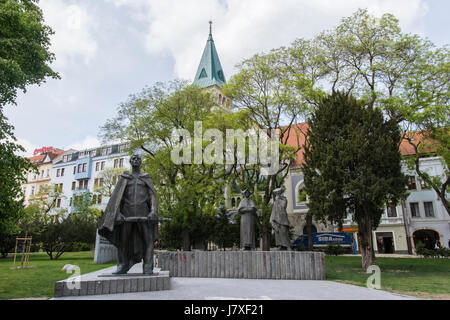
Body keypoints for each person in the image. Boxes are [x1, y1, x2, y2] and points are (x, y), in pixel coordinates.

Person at [98, 154, 158, 274]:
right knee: (123, 241)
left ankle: (148, 266)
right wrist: (118, 213)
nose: (136, 160)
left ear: (141, 162)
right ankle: (123, 265)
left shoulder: (146, 177)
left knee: (148, 240)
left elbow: (152, 196)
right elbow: (117, 198)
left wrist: (153, 211)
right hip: (126, 213)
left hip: (144, 213)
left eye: (138, 158)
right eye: (134, 158)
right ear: (130, 162)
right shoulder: (125, 178)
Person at [270, 186, 291, 251]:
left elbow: (283, 206)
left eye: (278, 193)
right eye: (276, 194)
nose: (277, 195)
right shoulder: (275, 202)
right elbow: (274, 210)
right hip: (276, 219)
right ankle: (280, 245)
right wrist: (273, 219)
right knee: (277, 233)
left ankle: (287, 246)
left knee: (284, 232)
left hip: (282, 218)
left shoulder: (284, 199)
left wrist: (280, 198)